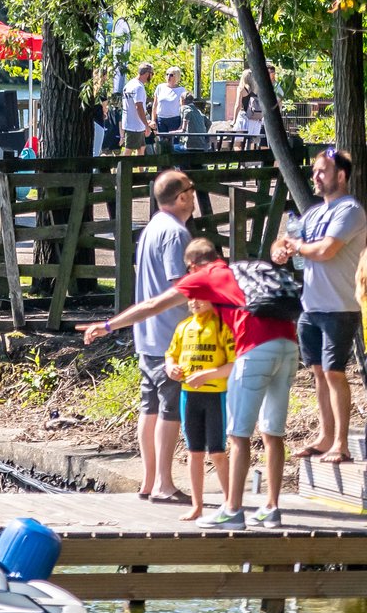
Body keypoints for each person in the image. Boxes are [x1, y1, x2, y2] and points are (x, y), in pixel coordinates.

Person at [82, 201, 300, 531]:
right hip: (289, 344)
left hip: (255, 348)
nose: (187, 277)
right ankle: (271, 508)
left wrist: (109, 326)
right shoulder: (242, 268)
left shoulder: (206, 277)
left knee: (239, 435)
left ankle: (233, 510)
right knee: (273, 432)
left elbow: (154, 305)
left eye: (188, 270)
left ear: (194, 264)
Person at [274, 148, 363, 463]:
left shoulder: (350, 211)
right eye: (314, 171)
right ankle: (325, 437)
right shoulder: (312, 213)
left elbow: (327, 250)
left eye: (322, 171)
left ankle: (341, 443)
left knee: (335, 373)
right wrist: (281, 251)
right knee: (318, 373)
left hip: (340, 308)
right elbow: (285, 240)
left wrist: (296, 246)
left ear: (340, 176)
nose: (315, 176)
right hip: (310, 308)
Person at [127, 169, 196, 503]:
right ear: (181, 197)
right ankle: (164, 484)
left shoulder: (152, 227)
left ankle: (149, 480)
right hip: (171, 338)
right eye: (191, 190)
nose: (194, 196)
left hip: (148, 336)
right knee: (170, 409)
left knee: (148, 406)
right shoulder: (175, 233)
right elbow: (178, 286)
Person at [164, 240, 236, 521]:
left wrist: (209, 374)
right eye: (190, 297)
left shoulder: (222, 325)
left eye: (200, 295)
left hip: (215, 394)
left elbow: (233, 364)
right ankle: (196, 505)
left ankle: (231, 501)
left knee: (217, 452)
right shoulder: (184, 327)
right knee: (193, 452)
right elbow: (170, 356)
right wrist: (171, 368)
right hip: (188, 396)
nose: (193, 301)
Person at [120, 63, 154, 154]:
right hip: (135, 125)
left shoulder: (130, 84)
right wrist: (146, 125)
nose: (152, 76)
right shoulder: (138, 87)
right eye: (152, 74)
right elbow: (138, 107)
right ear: (147, 74)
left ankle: (142, 169)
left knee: (141, 148)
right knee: (129, 150)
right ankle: (122, 168)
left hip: (132, 123)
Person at [153, 67, 186, 151]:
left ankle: (175, 163)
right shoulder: (160, 87)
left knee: (174, 144)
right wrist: (153, 120)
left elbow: (183, 108)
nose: (168, 77)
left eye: (171, 75)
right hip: (161, 119)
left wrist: (182, 124)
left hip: (174, 119)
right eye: (167, 74)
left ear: (177, 77)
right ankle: (163, 163)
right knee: (162, 143)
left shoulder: (181, 90)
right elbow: (155, 104)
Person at [233, 68, 265, 140]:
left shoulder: (241, 89)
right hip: (257, 118)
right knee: (253, 142)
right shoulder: (259, 89)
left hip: (245, 118)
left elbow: (237, 105)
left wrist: (234, 120)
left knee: (238, 142)